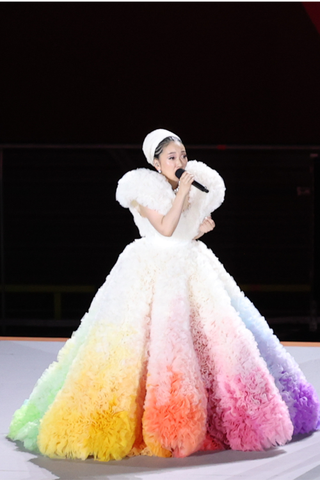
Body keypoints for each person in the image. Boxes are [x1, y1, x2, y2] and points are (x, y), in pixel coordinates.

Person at [8, 128, 320, 461]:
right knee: (146, 347)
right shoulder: (141, 191)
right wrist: (184, 199)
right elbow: (166, 229)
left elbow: (181, 233)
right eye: (172, 157)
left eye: (183, 155)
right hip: (152, 273)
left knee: (216, 342)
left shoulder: (181, 190)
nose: (180, 161)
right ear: (156, 163)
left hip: (190, 268)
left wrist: (199, 228)